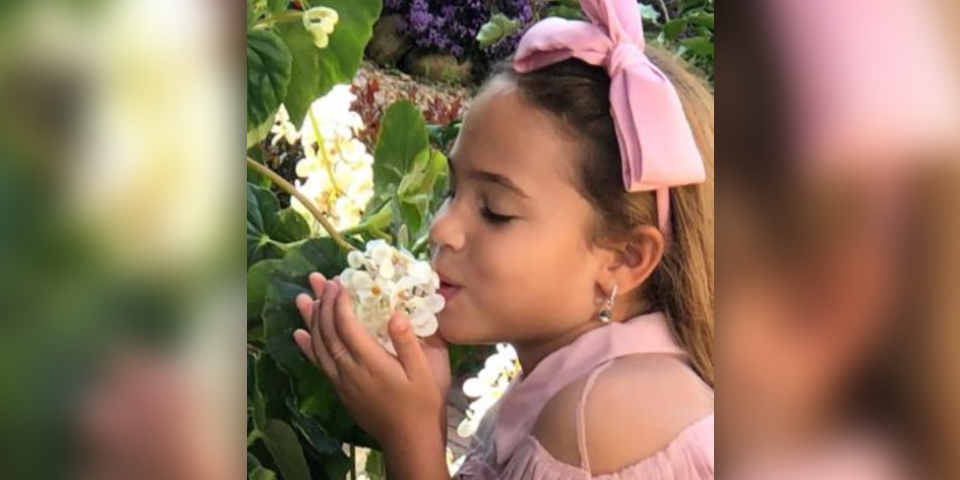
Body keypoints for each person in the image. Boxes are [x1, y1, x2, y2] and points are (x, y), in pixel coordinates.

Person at [292, 0, 715, 478]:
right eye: (452, 191)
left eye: (495, 211)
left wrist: (410, 434)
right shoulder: (585, 385)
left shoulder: (605, 423)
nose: (441, 228)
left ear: (624, 258)